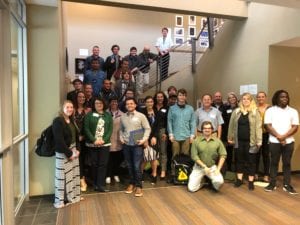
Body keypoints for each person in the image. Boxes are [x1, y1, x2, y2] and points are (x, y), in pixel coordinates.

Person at [264, 90, 299, 194]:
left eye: (286, 97)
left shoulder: (293, 111)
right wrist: (279, 137)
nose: (284, 99)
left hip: (289, 142)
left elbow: (295, 127)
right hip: (274, 141)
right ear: (276, 98)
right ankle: (272, 183)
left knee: (287, 163)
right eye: (282, 97)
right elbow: (267, 125)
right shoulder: (270, 110)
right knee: (274, 163)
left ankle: (287, 184)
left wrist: (284, 137)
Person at [228, 93, 262, 190]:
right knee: (239, 161)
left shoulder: (255, 112)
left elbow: (258, 127)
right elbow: (231, 125)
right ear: (241, 100)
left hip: (251, 142)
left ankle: (251, 181)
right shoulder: (236, 111)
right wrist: (230, 137)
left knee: (251, 161)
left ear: (251, 101)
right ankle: (239, 180)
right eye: (244, 99)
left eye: (248, 99)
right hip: (239, 142)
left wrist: (259, 140)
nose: (246, 100)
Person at [120, 97, 151, 197]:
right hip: (126, 145)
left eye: (131, 103)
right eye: (127, 104)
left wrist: (144, 139)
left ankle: (139, 186)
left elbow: (147, 128)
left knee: (137, 166)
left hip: (137, 144)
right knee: (129, 165)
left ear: (135, 105)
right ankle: (132, 183)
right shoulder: (123, 116)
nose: (129, 105)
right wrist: (121, 137)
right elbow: (121, 129)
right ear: (125, 106)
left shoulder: (141, 116)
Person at [52, 100, 81, 208]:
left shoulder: (72, 120)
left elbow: (77, 138)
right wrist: (69, 154)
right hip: (63, 152)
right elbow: (59, 141)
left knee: (73, 175)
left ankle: (73, 196)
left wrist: (77, 150)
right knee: (62, 177)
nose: (70, 109)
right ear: (62, 109)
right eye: (67, 107)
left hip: (73, 151)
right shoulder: (58, 121)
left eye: (71, 107)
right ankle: (60, 200)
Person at [84, 97, 113, 192]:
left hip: (104, 144)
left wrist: (103, 140)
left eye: (100, 103)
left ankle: (101, 185)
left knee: (103, 165)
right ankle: (95, 184)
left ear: (104, 104)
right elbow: (86, 128)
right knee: (94, 164)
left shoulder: (108, 115)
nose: (98, 105)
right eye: (96, 103)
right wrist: (94, 140)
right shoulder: (89, 115)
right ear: (94, 104)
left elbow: (110, 130)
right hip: (92, 144)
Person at [188, 121, 227, 192]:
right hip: (199, 167)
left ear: (212, 129)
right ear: (202, 130)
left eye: (209, 128)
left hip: (211, 167)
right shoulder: (196, 141)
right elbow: (194, 156)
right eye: (205, 128)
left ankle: (211, 182)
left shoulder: (217, 141)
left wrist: (218, 169)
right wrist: (204, 167)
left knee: (219, 182)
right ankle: (203, 181)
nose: (207, 130)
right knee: (191, 189)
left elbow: (223, 155)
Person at [167, 89, 196, 181]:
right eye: (180, 95)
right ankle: (173, 173)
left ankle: (185, 173)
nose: (182, 97)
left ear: (186, 97)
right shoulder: (172, 108)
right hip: (175, 136)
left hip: (186, 136)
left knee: (186, 155)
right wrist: (170, 134)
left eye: (183, 95)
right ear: (177, 97)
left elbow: (193, 122)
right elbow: (169, 122)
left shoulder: (190, 108)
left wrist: (192, 135)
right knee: (175, 155)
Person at [140, 96, 159, 184]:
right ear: (145, 103)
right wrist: (145, 139)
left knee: (153, 157)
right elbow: (140, 127)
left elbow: (157, 126)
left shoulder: (156, 112)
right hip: (144, 138)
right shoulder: (141, 113)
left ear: (153, 102)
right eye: (147, 102)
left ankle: (154, 174)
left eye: (151, 102)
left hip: (154, 138)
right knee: (144, 158)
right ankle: (141, 174)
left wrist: (154, 136)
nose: (150, 103)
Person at [106, 97, 124, 184]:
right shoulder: (105, 113)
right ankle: (108, 175)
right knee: (108, 159)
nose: (114, 103)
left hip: (118, 140)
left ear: (118, 103)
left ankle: (115, 174)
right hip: (107, 140)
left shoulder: (122, 114)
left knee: (117, 159)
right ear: (109, 103)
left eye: (115, 102)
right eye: (112, 101)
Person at [73, 91, 89, 192]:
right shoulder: (73, 110)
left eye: (83, 97)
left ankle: (82, 178)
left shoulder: (87, 110)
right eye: (79, 97)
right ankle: (81, 179)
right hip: (74, 139)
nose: (81, 98)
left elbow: (89, 125)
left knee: (83, 159)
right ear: (76, 98)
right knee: (77, 159)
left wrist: (83, 136)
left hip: (85, 139)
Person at [222, 92, 239, 172]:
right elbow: (224, 122)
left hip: (239, 133)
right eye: (230, 98)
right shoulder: (225, 108)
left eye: (233, 97)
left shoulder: (240, 107)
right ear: (228, 100)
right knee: (229, 153)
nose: (232, 99)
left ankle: (238, 170)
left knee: (238, 153)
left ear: (236, 98)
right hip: (229, 133)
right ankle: (229, 170)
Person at [153, 91, 169, 179]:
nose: (159, 98)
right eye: (158, 97)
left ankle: (163, 171)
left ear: (164, 98)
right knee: (154, 152)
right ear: (155, 98)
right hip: (153, 131)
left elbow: (168, 121)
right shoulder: (152, 107)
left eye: (161, 97)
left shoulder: (167, 108)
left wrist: (166, 133)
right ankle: (154, 170)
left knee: (163, 151)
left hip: (163, 131)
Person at [256, 91, 270, 182]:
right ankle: (255, 173)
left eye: (262, 97)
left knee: (266, 155)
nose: (261, 98)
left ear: (265, 97)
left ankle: (266, 175)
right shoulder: (254, 108)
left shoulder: (270, 108)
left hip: (267, 134)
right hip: (257, 134)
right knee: (256, 154)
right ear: (257, 98)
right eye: (259, 97)